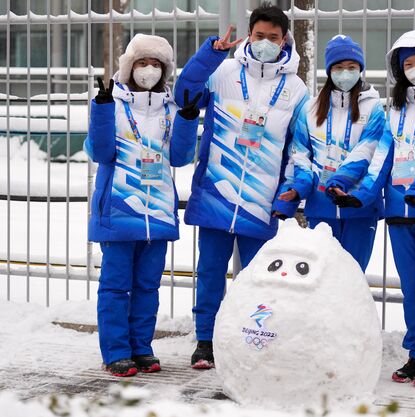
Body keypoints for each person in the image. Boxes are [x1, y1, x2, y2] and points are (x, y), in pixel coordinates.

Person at [327, 28, 415, 387]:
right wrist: (358, 193)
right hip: (399, 213)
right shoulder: (393, 110)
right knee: (412, 287)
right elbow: (378, 157)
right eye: (407, 63)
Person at [174, 2, 308, 369]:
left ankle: (251, 341)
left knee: (257, 278)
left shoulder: (296, 89)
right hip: (218, 192)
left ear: (285, 41)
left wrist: (290, 189)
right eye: (260, 35)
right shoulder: (224, 71)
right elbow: (184, 95)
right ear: (250, 35)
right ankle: (206, 341)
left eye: (274, 38)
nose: (266, 42)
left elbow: (300, 145)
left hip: (261, 200)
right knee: (211, 272)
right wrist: (209, 55)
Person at [85, 34, 201, 377]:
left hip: (159, 212)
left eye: (155, 64)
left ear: (164, 71)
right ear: (128, 67)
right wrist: (102, 111)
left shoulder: (170, 108)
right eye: (141, 63)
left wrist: (188, 119)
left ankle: (141, 347)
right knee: (116, 285)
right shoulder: (113, 104)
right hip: (120, 212)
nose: (148, 70)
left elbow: (180, 157)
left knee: (148, 286)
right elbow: (100, 153)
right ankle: (116, 351)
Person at [275, 35, 385, 271]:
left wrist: (341, 181)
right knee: (321, 279)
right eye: (338, 67)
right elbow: (300, 154)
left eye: (352, 67)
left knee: (352, 278)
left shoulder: (374, 107)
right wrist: (299, 188)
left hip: (359, 207)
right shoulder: (310, 108)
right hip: (321, 205)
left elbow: (368, 151)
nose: (345, 73)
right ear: (329, 70)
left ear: (360, 70)